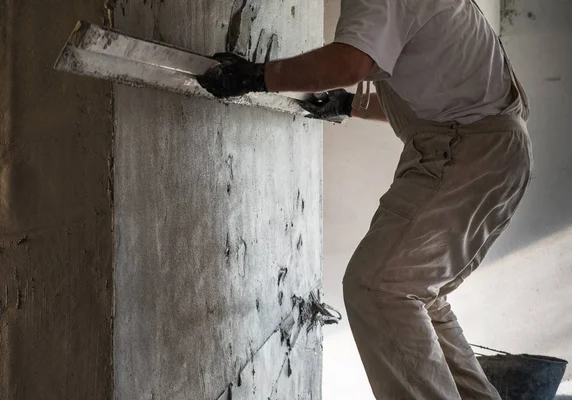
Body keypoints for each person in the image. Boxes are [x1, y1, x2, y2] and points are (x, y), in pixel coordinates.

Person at [198, 0, 533, 398]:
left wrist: (256, 76)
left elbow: (350, 63)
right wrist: (349, 103)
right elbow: (432, 89)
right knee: (417, 295)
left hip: (467, 150)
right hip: (490, 150)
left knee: (378, 288)